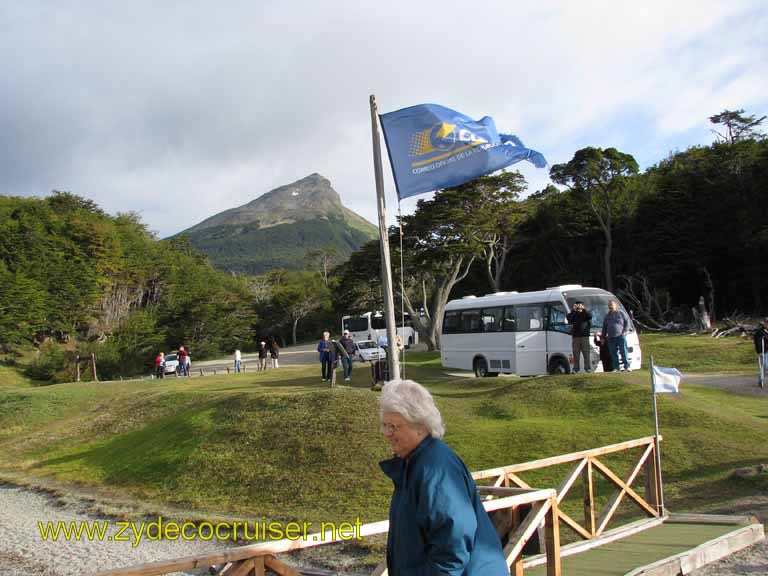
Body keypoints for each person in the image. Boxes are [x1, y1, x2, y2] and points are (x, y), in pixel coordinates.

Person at [379, 380, 508, 575]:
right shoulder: (415, 463)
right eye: (384, 425)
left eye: (394, 426)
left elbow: (452, 549)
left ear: (420, 426)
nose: (386, 433)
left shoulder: (435, 469)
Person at [602, 300, 630, 371]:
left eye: (611, 305)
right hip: (611, 337)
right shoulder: (607, 316)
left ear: (615, 305)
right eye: (609, 305)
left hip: (621, 336)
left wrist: (624, 331)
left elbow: (627, 322)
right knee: (613, 353)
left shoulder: (621, 313)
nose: (610, 306)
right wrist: (603, 337)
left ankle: (627, 367)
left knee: (623, 351)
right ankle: (616, 368)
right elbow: (604, 327)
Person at [567, 300, 593, 373]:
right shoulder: (574, 314)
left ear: (582, 305)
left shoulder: (585, 313)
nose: (578, 306)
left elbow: (590, 316)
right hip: (576, 337)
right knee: (576, 353)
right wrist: (573, 310)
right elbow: (569, 319)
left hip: (585, 336)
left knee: (586, 353)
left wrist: (583, 309)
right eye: (577, 305)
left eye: (580, 305)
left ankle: (587, 368)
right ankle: (575, 369)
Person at [754, 318, 768, 387]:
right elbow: (757, 342)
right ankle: (761, 379)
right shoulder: (760, 332)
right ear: (764, 324)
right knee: (765, 365)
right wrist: (759, 351)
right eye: (766, 323)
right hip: (764, 351)